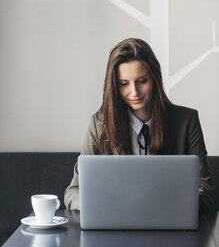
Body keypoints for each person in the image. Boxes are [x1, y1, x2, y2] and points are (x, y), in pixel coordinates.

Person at [64, 38, 216, 212]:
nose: (134, 92)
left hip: (170, 227)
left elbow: (206, 189)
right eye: (124, 84)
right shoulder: (99, 125)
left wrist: (168, 205)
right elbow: (73, 192)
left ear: (155, 79)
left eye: (142, 81)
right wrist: (105, 206)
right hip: (115, 227)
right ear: (114, 86)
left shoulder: (186, 121)